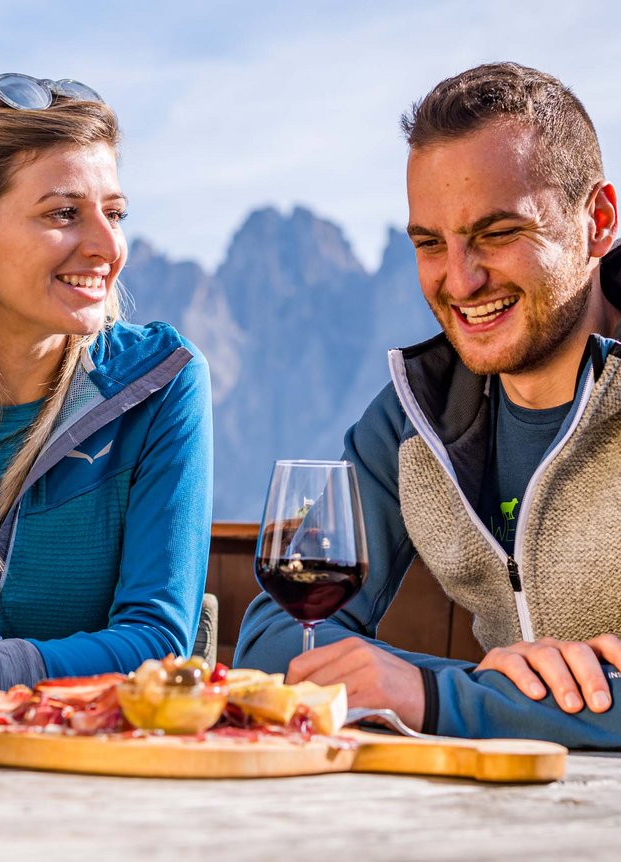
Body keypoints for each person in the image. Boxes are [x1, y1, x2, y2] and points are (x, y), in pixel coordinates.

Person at [236, 62, 621, 748]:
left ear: (597, 222)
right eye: (429, 244)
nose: (461, 280)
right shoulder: (413, 418)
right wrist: (460, 689)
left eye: (498, 233)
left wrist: (443, 697)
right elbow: (272, 642)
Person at [0, 74, 212, 704]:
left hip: (85, 770)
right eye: (63, 213)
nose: (108, 247)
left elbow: (158, 637)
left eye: (113, 213)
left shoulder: (159, 383)